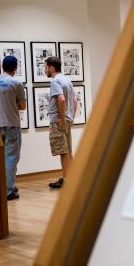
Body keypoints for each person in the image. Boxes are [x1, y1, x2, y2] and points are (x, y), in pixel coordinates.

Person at [0, 56, 26, 200]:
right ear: (15, 68)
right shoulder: (16, 83)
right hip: (11, 124)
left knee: (0, 159)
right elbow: (22, 106)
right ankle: (9, 190)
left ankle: (2, 187)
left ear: (2, 66)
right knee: (11, 158)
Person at [44, 56, 77, 189]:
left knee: (63, 152)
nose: (45, 70)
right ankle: (71, 178)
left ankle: (66, 180)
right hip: (67, 119)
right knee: (68, 150)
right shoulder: (66, 79)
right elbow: (74, 100)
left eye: (46, 67)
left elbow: (62, 100)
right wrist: (70, 117)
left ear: (51, 68)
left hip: (59, 121)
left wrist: (62, 119)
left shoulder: (55, 81)